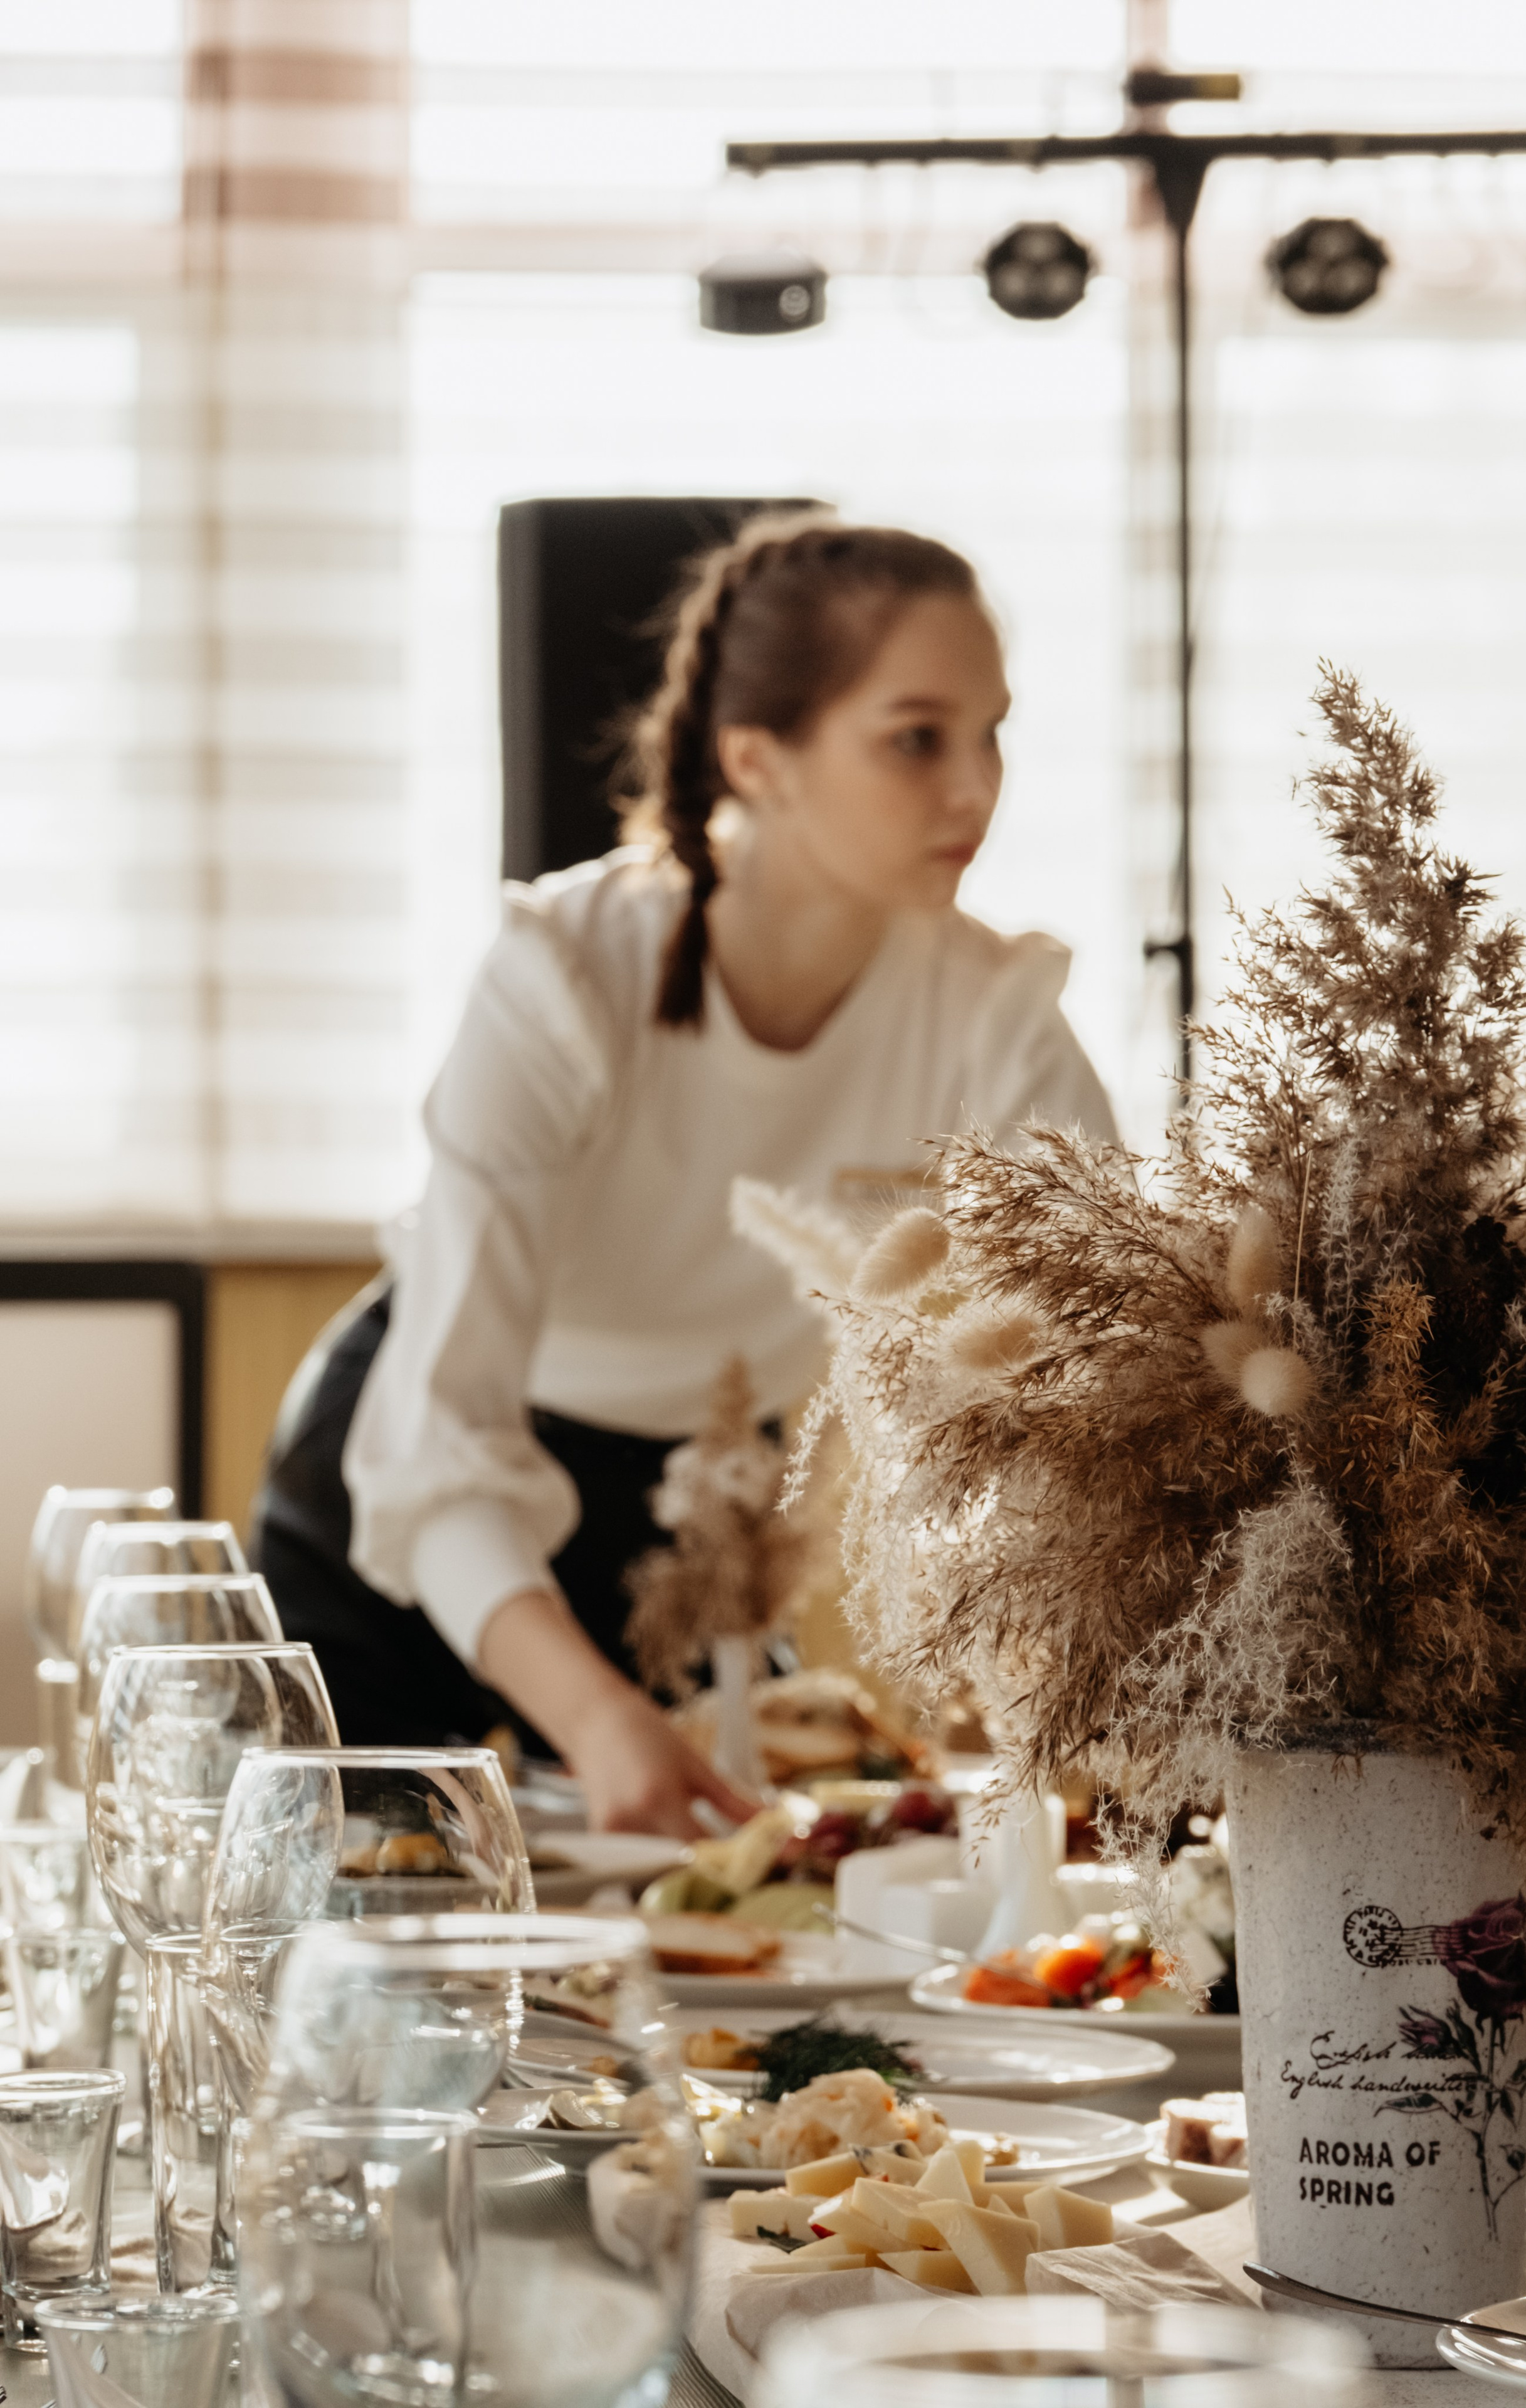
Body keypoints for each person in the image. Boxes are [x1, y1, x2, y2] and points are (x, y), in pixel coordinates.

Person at [254, 512, 1117, 1838]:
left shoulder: (991, 1008)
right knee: (364, 1930)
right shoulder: (566, 973)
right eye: (916, 737)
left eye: (993, 732)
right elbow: (438, 1447)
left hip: (698, 1506)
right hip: (423, 1499)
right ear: (754, 758)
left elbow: (1117, 1351)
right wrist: (595, 1719)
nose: (973, 789)